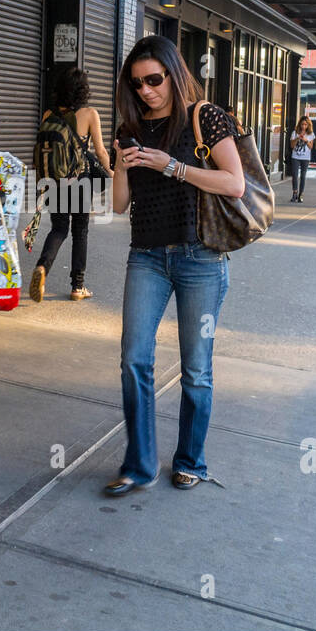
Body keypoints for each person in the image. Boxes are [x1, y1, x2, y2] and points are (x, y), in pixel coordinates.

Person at [105, 35, 243, 495]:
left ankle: (191, 461)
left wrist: (170, 166)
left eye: (154, 80)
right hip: (145, 255)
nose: (146, 90)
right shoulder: (130, 126)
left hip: (200, 258)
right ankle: (139, 465)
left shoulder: (206, 117)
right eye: (137, 83)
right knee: (133, 360)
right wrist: (120, 167)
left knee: (196, 369)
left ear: (173, 72)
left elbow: (234, 183)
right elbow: (121, 205)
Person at [30, 67, 111, 302]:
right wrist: (111, 172)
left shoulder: (48, 115)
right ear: (83, 91)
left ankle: (42, 267)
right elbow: (101, 150)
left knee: (59, 229)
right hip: (79, 182)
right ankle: (78, 286)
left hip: (53, 181)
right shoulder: (89, 114)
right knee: (80, 231)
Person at [289, 115, 314, 202]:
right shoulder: (294, 133)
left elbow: (311, 147)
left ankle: (301, 194)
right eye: (302, 124)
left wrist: (306, 140)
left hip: (305, 157)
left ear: (308, 125)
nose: (303, 126)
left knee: (303, 176)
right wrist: (297, 138)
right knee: (295, 175)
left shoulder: (311, 134)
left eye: (305, 124)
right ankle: (294, 193)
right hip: (295, 156)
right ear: (299, 124)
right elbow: (292, 146)